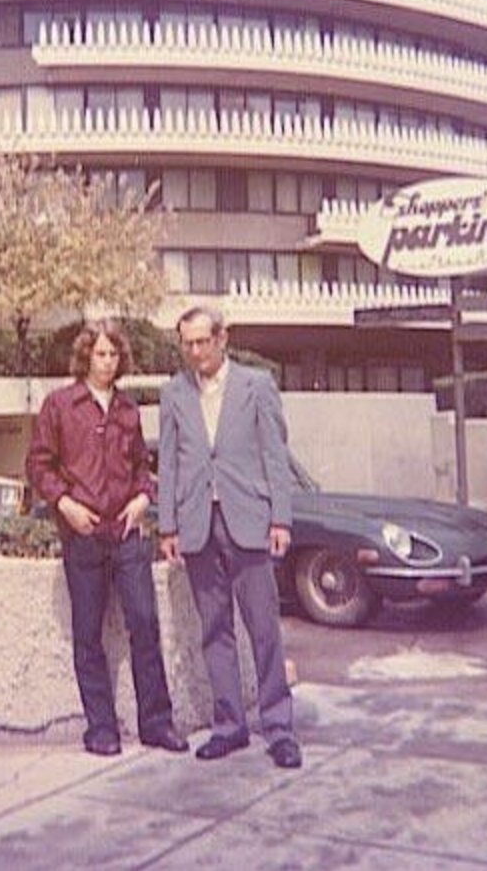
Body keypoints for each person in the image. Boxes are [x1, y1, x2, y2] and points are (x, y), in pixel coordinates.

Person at [26, 318, 188, 757]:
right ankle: (101, 728)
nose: (108, 361)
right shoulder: (59, 405)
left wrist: (142, 497)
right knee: (87, 634)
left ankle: (156, 723)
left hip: (127, 534)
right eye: (100, 353)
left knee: (144, 624)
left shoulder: (128, 410)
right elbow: (39, 465)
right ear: (85, 357)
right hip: (83, 535)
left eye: (114, 354)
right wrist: (66, 505)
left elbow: (140, 466)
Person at [158, 305, 302, 769]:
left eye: (203, 341)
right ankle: (230, 726)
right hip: (199, 524)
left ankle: (279, 727)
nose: (195, 351)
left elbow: (275, 457)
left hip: (249, 521)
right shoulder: (174, 394)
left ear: (222, 339)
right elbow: (169, 464)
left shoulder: (256, 386)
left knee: (264, 629)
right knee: (214, 629)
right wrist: (168, 525)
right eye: (188, 343)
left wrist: (280, 520)